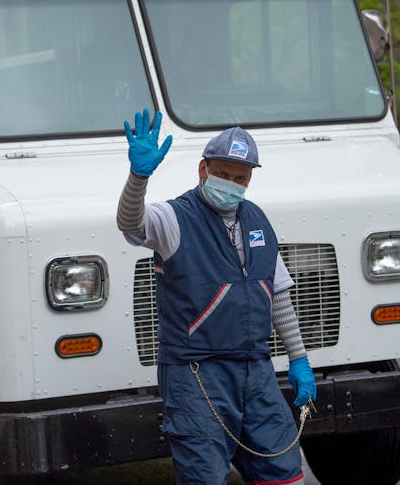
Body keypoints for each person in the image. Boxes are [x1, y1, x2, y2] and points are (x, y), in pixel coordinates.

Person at [116, 108, 317, 485]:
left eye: (240, 178)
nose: (231, 184)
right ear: (202, 169)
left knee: (285, 472)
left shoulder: (257, 219)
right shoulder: (174, 218)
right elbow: (131, 223)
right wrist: (138, 177)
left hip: (256, 370)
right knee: (204, 476)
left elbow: (278, 295)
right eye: (223, 174)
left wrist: (299, 360)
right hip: (196, 373)